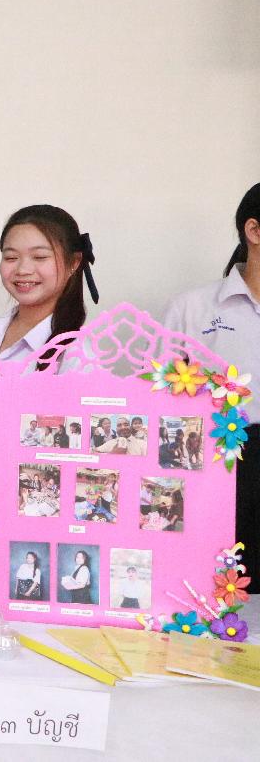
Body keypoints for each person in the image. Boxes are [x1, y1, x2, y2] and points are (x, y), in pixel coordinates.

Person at [164, 183, 260, 590]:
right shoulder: (193, 308)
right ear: (254, 231)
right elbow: (158, 403)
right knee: (214, 590)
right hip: (216, 467)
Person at [0, 205, 97, 366]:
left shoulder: (78, 356)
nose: (23, 270)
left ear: (74, 262)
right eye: (11, 257)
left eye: (39, 257)